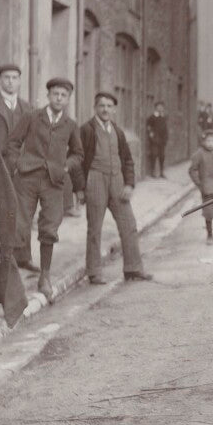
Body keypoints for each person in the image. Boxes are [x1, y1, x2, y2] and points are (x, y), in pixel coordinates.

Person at [4, 78, 84, 303]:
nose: (59, 98)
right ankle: (10, 285)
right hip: (27, 178)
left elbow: (78, 153)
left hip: (53, 182)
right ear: (48, 95)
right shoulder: (32, 116)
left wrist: (66, 166)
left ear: (68, 99)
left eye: (63, 95)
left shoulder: (70, 125)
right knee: (18, 226)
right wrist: (16, 165)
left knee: (49, 227)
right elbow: (12, 143)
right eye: (55, 94)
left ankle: (45, 277)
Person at [75, 92, 152, 284]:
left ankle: (133, 268)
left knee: (129, 225)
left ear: (114, 109)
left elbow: (127, 160)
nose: (105, 109)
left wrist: (129, 184)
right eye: (102, 105)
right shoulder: (86, 130)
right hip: (95, 179)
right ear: (95, 108)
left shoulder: (117, 131)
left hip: (117, 181)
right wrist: (80, 188)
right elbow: (77, 159)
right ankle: (94, 272)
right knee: (95, 228)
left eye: (109, 106)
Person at [0, 64, 37, 271]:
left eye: (14, 77)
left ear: (20, 80)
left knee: (24, 210)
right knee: (0, 210)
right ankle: (2, 260)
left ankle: (24, 257)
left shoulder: (28, 108)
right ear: (0, 80)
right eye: (6, 77)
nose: (10, 81)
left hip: (22, 167)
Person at [146, 101, 168, 178]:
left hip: (162, 140)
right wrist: (151, 134)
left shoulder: (163, 117)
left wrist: (165, 138)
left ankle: (161, 172)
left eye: (162, 107)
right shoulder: (152, 117)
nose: (160, 108)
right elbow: (149, 127)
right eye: (159, 107)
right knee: (154, 155)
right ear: (156, 108)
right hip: (155, 140)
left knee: (162, 156)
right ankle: (153, 172)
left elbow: (165, 128)